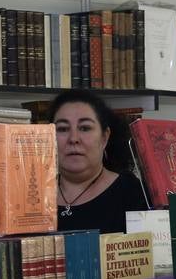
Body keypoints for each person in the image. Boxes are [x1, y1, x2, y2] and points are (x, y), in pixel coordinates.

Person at [50, 90, 148, 233]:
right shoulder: (33, 197)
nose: (73, 139)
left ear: (104, 137)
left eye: (85, 128)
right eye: (63, 129)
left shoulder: (133, 194)